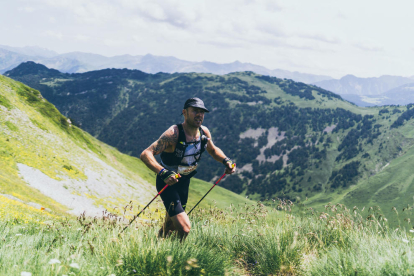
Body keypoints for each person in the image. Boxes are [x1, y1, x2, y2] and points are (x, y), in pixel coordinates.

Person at [140, 97, 236, 240]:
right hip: (167, 182)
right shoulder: (173, 134)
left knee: (171, 224)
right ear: (184, 112)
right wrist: (163, 172)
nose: (199, 115)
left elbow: (213, 150)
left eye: (202, 112)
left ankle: (156, 245)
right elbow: (146, 154)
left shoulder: (204, 133)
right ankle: (178, 256)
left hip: (184, 182)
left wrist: (226, 161)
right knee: (184, 228)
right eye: (195, 111)